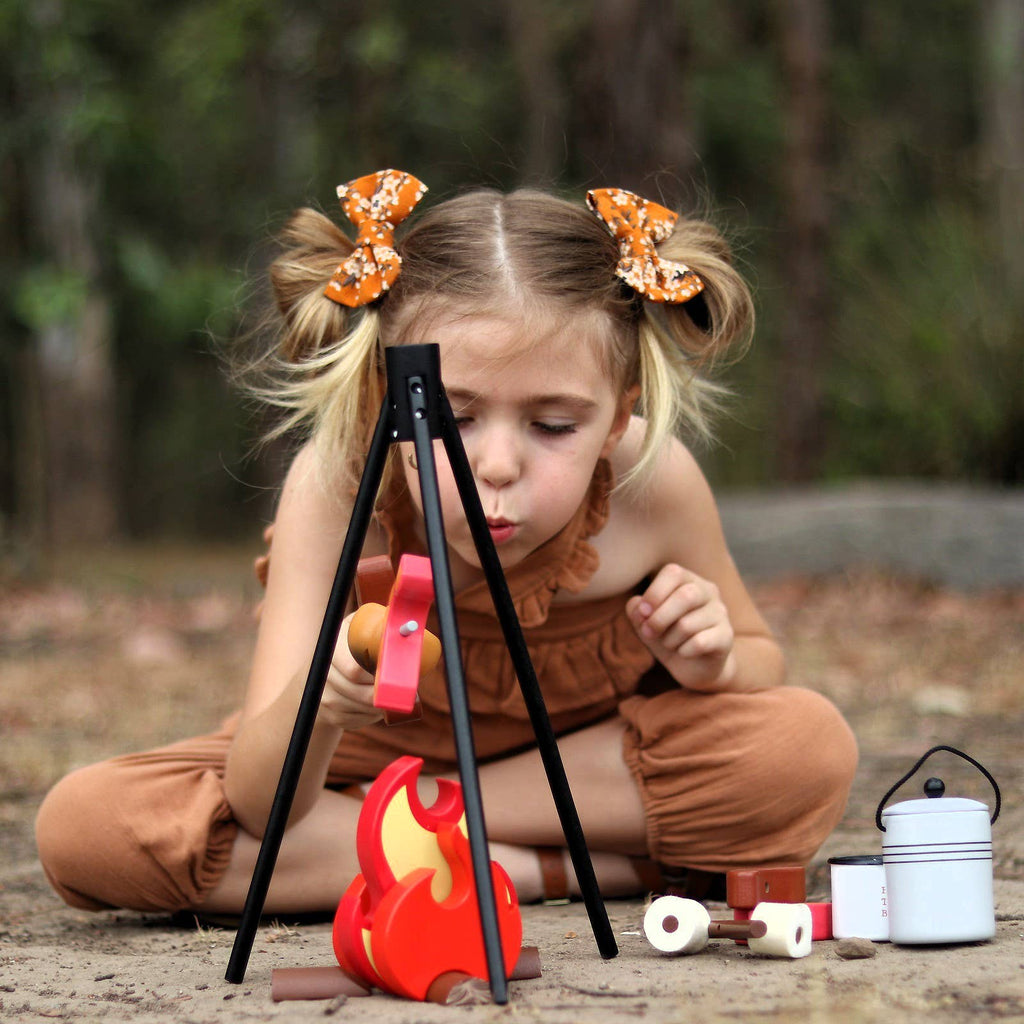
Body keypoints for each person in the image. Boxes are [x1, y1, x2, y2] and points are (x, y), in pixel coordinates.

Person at [36, 169, 857, 916]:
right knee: (89, 826)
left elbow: (760, 662)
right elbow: (263, 803)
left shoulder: (653, 483)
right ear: (382, 390)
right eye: (452, 416)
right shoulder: (337, 488)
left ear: (618, 412)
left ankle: (431, 847)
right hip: (358, 777)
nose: (495, 464)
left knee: (805, 748)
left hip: (582, 774)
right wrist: (319, 706)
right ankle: (562, 870)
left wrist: (711, 660)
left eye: (554, 424)